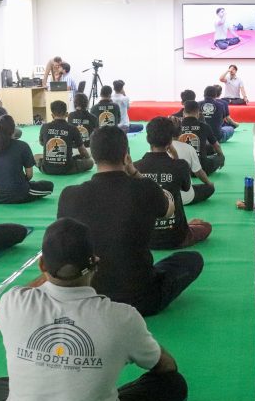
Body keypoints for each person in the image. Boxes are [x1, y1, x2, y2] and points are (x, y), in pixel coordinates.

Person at [0, 217, 187, 401]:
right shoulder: (121, 317)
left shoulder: (12, 302)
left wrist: (50, 273)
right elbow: (165, 366)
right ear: (96, 263)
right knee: (173, 384)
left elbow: (31, 289)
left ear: (42, 265)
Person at [57, 126, 203, 316]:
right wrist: (134, 172)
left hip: (89, 296)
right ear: (126, 155)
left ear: (93, 155)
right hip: (140, 299)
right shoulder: (145, 188)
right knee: (192, 260)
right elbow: (169, 210)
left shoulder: (69, 195)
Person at [135, 117, 212, 250]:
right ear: (170, 141)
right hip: (177, 238)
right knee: (206, 226)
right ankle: (189, 226)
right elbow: (186, 187)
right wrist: (176, 158)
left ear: (148, 139)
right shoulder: (180, 165)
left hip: (146, 239)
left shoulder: (136, 167)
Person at [0, 115, 54, 204]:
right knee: (49, 185)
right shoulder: (23, 146)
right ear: (13, 130)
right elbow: (29, 175)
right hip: (19, 194)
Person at [36, 100, 93, 175]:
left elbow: (42, 143)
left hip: (47, 169)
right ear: (66, 114)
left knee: (35, 157)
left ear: (52, 115)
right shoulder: (73, 129)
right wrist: (87, 158)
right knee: (90, 162)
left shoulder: (44, 127)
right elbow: (82, 150)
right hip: (67, 169)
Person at [170, 117, 215, 205]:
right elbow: (198, 172)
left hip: (163, 198)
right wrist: (209, 183)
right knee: (210, 188)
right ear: (181, 132)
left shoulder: (153, 151)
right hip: (185, 197)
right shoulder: (188, 148)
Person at [180, 100, 225, 175]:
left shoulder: (176, 126)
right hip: (202, 168)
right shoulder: (204, 126)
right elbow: (217, 145)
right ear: (198, 113)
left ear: (183, 113)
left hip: (182, 170)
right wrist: (221, 157)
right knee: (218, 156)